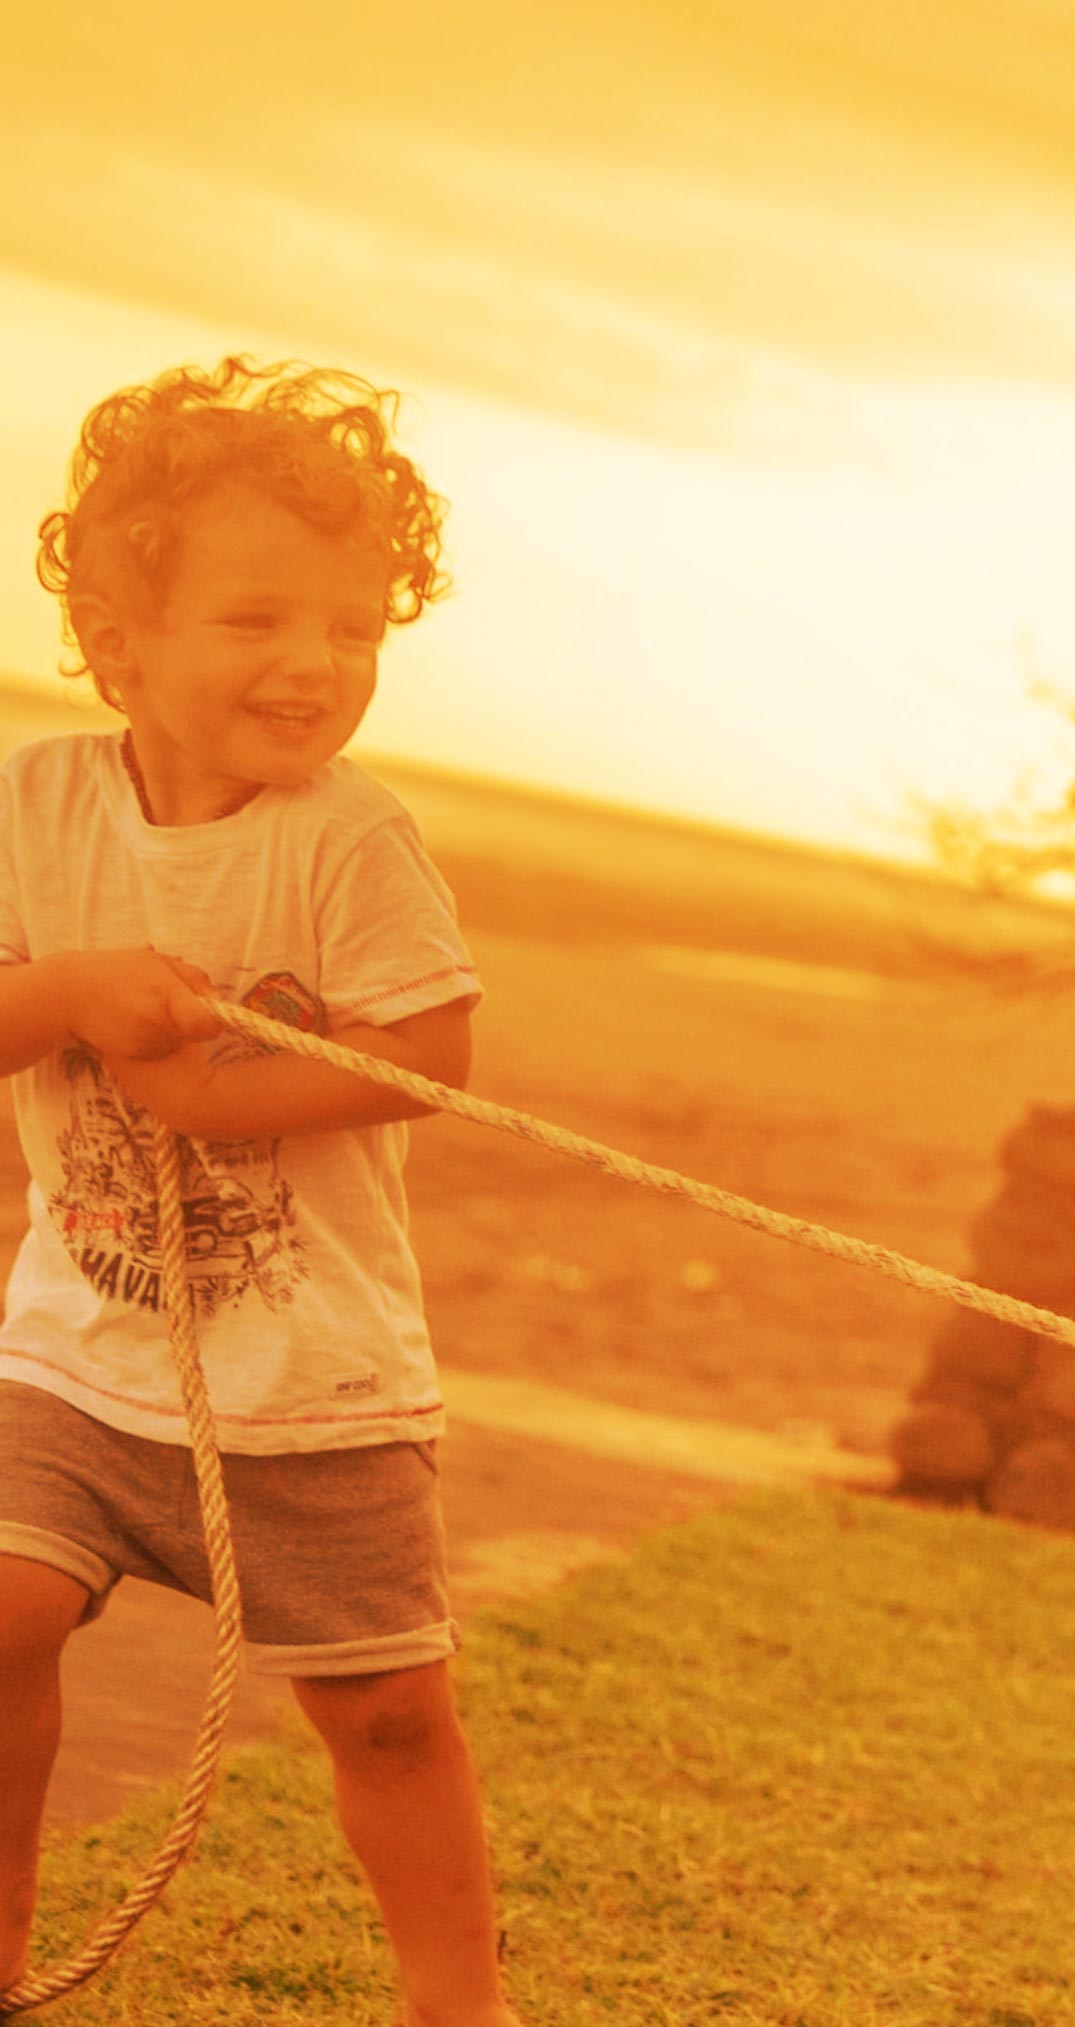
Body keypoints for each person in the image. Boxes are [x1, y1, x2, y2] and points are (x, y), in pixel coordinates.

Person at [0, 359, 511, 2025]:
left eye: (354, 629)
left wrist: (192, 1090)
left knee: (387, 1717)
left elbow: (422, 1053)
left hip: (313, 1389)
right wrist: (70, 990)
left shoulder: (350, 842)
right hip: (76, 1351)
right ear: (119, 638)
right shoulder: (34, 806)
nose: (314, 665)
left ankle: (460, 2007)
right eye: (258, 620)